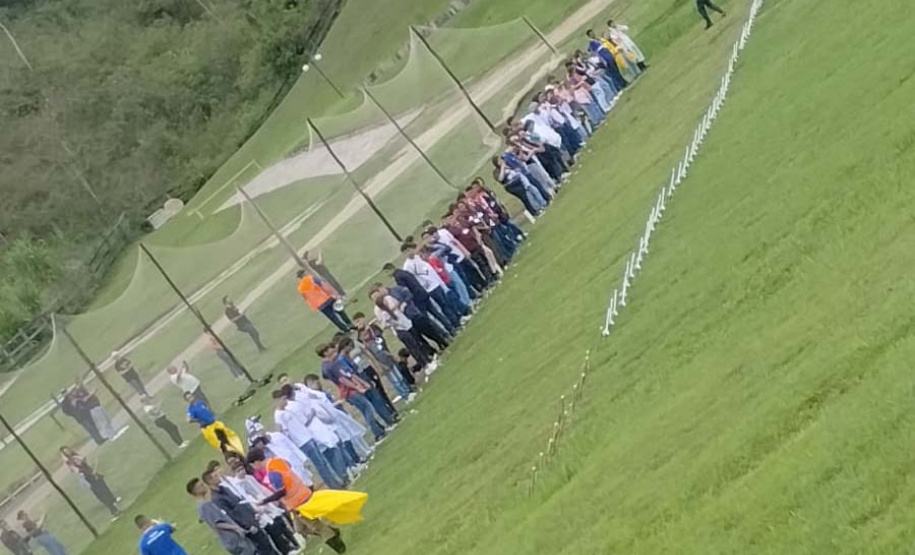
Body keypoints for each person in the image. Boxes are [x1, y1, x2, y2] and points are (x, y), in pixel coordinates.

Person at [248, 449, 367, 553]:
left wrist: (264, 501)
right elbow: (289, 468)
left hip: (298, 502)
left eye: (253, 465)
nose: (254, 468)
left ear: (256, 462)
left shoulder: (272, 472)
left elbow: (282, 491)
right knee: (300, 529)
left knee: (316, 526)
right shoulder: (277, 460)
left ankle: (338, 546)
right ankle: (332, 531)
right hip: (300, 496)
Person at [318, 343, 394, 443]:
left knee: (367, 408)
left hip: (351, 388)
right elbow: (343, 379)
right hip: (349, 391)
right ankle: (378, 432)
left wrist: (361, 383)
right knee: (367, 409)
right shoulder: (332, 365)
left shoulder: (329, 365)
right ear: (325, 352)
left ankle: (380, 429)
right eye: (330, 348)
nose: (334, 349)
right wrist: (357, 387)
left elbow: (348, 375)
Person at [272, 390, 347, 490]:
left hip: (307, 437)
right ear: (278, 400)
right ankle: (334, 485)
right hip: (302, 442)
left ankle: (337, 480)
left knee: (323, 462)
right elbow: (283, 433)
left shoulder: (286, 411)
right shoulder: (279, 416)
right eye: (283, 399)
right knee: (320, 465)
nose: (286, 401)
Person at [221, 459, 299, 555]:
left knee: (281, 523)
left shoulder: (249, 478)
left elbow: (260, 488)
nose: (242, 472)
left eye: (242, 469)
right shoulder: (238, 485)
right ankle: (286, 550)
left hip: (265, 501)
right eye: (238, 471)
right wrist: (256, 507)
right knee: (274, 530)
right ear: (234, 473)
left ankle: (295, 543)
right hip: (257, 507)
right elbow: (246, 497)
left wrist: (271, 498)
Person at [201, 467, 278, 555]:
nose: (218, 477)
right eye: (215, 476)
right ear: (210, 481)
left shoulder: (224, 488)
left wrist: (253, 512)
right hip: (247, 526)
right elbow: (231, 515)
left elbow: (240, 501)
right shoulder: (216, 498)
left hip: (252, 519)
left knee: (267, 544)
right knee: (264, 549)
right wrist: (247, 526)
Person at [187, 478, 257, 555]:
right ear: (195, 491)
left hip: (231, 539)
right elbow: (217, 523)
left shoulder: (202, 505)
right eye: (201, 485)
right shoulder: (205, 505)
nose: (204, 486)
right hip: (232, 538)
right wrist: (236, 528)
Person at [59, 446, 120, 518]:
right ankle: (112, 509)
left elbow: (84, 459)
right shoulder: (70, 462)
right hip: (88, 477)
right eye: (65, 452)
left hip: (91, 472)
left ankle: (112, 501)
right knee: (100, 492)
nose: (68, 452)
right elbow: (77, 470)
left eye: (67, 450)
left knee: (103, 486)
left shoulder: (75, 456)